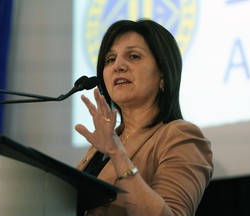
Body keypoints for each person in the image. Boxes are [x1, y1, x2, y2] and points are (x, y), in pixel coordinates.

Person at [75, 19, 213, 216]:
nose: (118, 66)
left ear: (163, 75)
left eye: (134, 56)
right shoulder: (100, 147)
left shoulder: (180, 136)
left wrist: (117, 154)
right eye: (110, 59)